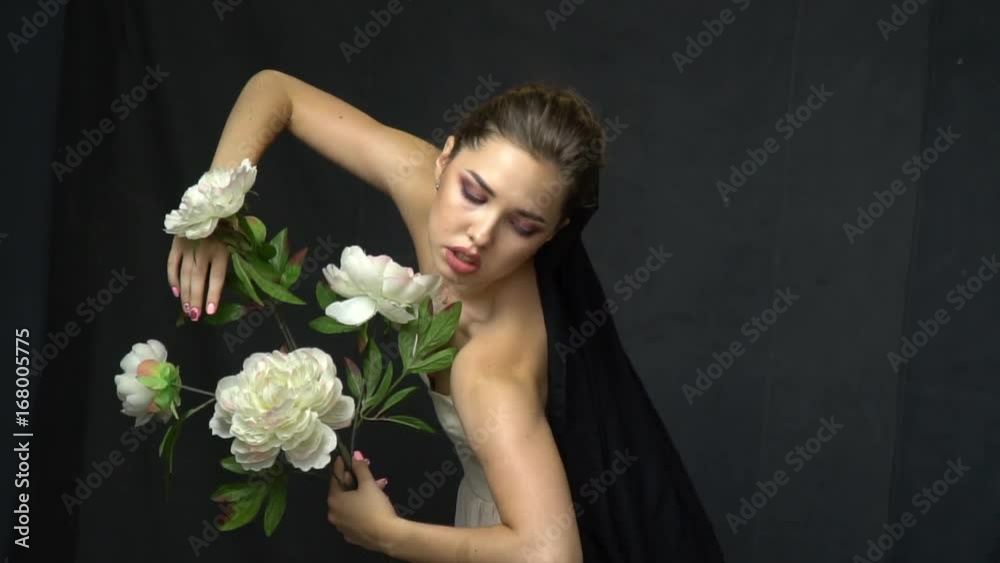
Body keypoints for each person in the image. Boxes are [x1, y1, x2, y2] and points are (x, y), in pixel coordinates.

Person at [166, 69, 726, 562]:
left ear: (554, 234)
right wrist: (216, 208)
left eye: (523, 226)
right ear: (445, 158)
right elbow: (275, 90)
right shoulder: (418, 183)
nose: (479, 234)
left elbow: (551, 554)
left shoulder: (491, 368)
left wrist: (388, 535)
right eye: (474, 192)